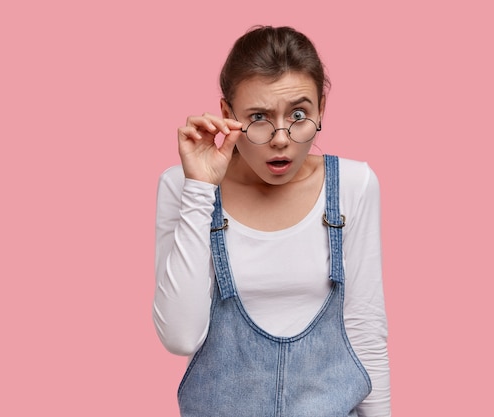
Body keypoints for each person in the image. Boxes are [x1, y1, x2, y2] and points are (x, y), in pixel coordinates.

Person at [153, 25, 390, 417]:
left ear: (321, 109)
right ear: (228, 115)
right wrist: (199, 190)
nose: (281, 138)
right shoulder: (182, 185)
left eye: (299, 114)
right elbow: (180, 337)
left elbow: (366, 331)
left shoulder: (353, 185)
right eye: (259, 116)